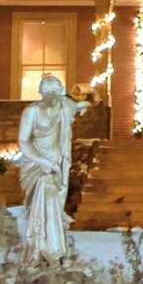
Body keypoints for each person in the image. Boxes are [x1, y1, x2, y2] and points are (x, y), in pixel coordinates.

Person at [12, 74, 93, 256]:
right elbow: (24, 142)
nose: (52, 101)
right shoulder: (31, 112)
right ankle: (46, 249)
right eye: (48, 96)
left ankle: (50, 248)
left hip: (58, 164)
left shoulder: (65, 106)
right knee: (45, 201)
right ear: (42, 94)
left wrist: (87, 92)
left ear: (60, 94)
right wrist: (42, 161)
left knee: (55, 204)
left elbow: (89, 102)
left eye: (56, 96)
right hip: (36, 165)